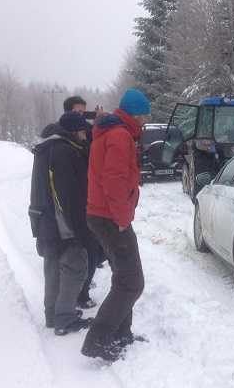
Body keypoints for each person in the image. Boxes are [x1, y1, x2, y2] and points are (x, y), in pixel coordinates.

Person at [81, 88, 151, 361]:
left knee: (124, 277)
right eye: (143, 116)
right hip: (110, 218)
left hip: (102, 215)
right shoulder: (120, 136)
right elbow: (113, 181)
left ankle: (121, 334)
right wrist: (123, 219)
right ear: (133, 114)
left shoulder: (115, 132)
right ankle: (97, 341)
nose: (145, 122)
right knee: (132, 282)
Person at [28, 112, 94, 335]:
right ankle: (64, 318)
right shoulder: (65, 152)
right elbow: (69, 195)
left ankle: (52, 315)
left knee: (53, 267)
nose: (85, 136)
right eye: (84, 132)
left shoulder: (47, 148)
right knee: (75, 266)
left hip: (44, 217)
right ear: (75, 132)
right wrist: (80, 228)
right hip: (61, 220)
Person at [42, 95, 103, 310]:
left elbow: (92, 154)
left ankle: (66, 304)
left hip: (80, 207)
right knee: (73, 257)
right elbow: (67, 186)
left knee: (88, 254)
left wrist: (96, 127)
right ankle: (68, 305)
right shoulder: (60, 140)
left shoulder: (77, 135)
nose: (81, 117)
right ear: (67, 113)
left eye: (83, 112)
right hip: (65, 213)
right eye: (77, 112)